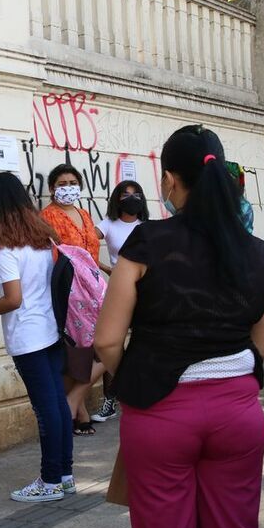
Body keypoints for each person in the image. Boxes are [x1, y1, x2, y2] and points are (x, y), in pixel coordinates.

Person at [94, 125, 264, 528]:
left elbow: (106, 339)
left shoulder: (147, 242)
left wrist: (137, 380)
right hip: (238, 413)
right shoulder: (256, 251)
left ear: (170, 181)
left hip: (161, 415)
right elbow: (262, 345)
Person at [0, 172, 73, 503]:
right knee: (58, 404)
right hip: (52, 331)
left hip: (28, 339)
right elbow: (33, 276)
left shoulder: (5, 248)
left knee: (46, 409)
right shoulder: (43, 237)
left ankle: (50, 480)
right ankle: (65, 475)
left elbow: (13, 298)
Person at [39, 165, 105, 436]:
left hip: (94, 288)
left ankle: (75, 402)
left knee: (104, 348)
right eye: (62, 182)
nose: (68, 186)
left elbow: (90, 252)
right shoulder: (47, 216)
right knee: (76, 349)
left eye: (73, 181)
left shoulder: (84, 213)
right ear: (52, 188)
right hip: (69, 289)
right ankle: (79, 410)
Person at [92, 179, 150, 424]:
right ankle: (111, 400)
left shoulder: (147, 227)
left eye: (136, 194)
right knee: (112, 342)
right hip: (118, 291)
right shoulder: (107, 225)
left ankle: (139, 392)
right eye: (126, 194)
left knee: (143, 342)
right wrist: (106, 269)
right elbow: (85, 246)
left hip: (145, 291)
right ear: (117, 199)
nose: (131, 198)